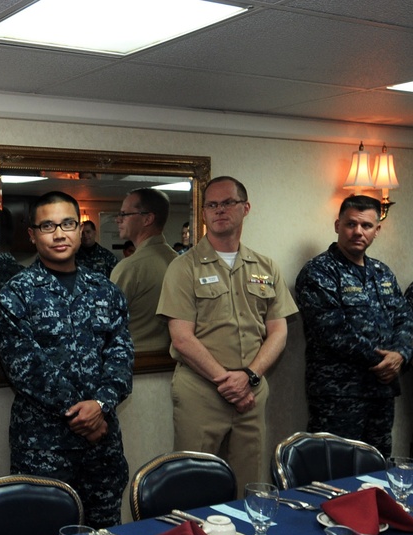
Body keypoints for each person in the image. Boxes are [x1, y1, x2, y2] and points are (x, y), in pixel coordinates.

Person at [0, 191, 133, 528]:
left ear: (79, 227)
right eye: (48, 226)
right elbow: (24, 366)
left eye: (67, 224)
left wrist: (100, 404)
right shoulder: (16, 293)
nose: (59, 234)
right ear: (33, 234)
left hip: (102, 448)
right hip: (43, 446)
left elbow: (121, 355)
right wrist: (84, 413)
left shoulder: (105, 290)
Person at [157, 176, 297, 494]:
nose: (220, 210)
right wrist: (228, 381)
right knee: (194, 482)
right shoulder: (183, 268)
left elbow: (278, 331)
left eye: (228, 203)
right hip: (201, 392)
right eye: (212, 205)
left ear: (245, 208)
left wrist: (248, 376)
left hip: (252, 390)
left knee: (251, 483)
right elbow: (181, 338)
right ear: (204, 213)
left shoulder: (266, 266)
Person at [295, 195, 413, 458]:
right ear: (337, 225)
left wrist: (401, 355)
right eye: (351, 224)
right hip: (338, 397)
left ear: (377, 230)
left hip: (381, 396)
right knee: (334, 476)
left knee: (377, 472)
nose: (358, 231)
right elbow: (332, 332)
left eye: (367, 226)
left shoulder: (383, 273)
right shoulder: (318, 272)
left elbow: (405, 319)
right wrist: (386, 361)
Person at [109, 188, 178, 352]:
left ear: (147, 218)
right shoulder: (178, 260)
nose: (118, 220)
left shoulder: (130, 267)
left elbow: (106, 322)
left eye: (124, 214)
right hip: (166, 360)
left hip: (137, 362)